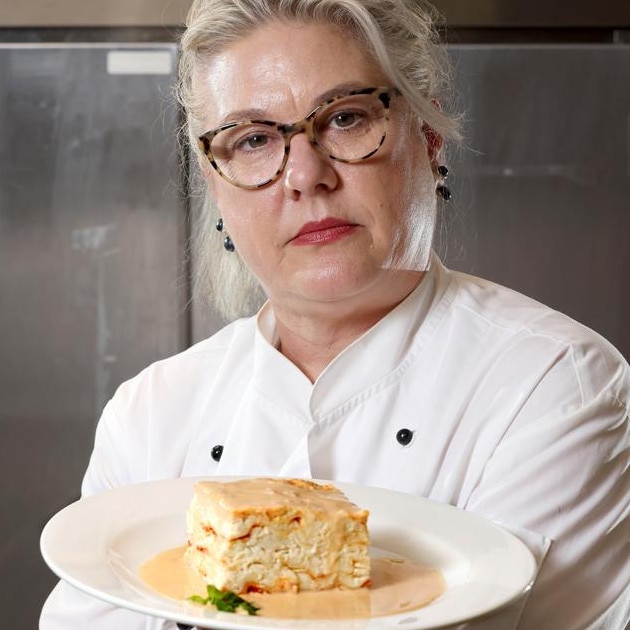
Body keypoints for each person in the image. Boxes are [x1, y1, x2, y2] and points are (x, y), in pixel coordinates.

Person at [41, 0, 629, 628]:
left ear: (428, 141)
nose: (304, 175)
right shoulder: (151, 411)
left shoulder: (556, 385)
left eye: (346, 118)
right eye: (254, 139)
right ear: (217, 185)